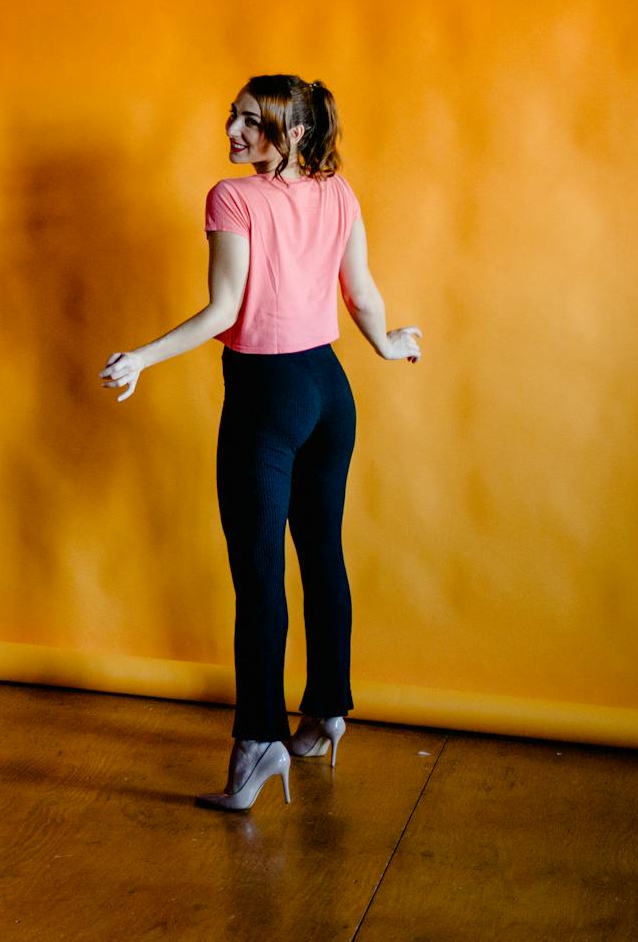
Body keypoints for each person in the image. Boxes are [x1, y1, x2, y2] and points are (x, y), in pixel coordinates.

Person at [100, 75, 421, 813]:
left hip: (267, 398)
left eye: (251, 122)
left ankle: (257, 744)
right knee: (322, 554)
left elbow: (225, 308)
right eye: (233, 117)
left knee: (260, 579)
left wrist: (142, 358)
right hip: (328, 392)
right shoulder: (339, 193)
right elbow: (362, 292)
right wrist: (389, 345)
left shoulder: (231, 198)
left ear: (293, 132)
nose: (232, 132)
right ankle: (328, 713)